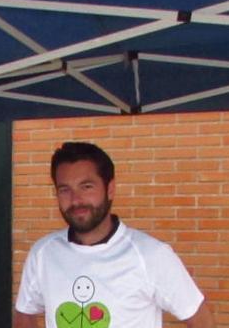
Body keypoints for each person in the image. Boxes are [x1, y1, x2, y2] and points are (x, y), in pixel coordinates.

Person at [14, 141, 215, 328]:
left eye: (87, 187)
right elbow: (25, 314)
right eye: (65, 189)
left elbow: (202, 320)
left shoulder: (151, 255)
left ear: (110, 189)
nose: (76, 200)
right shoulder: (43, 253)